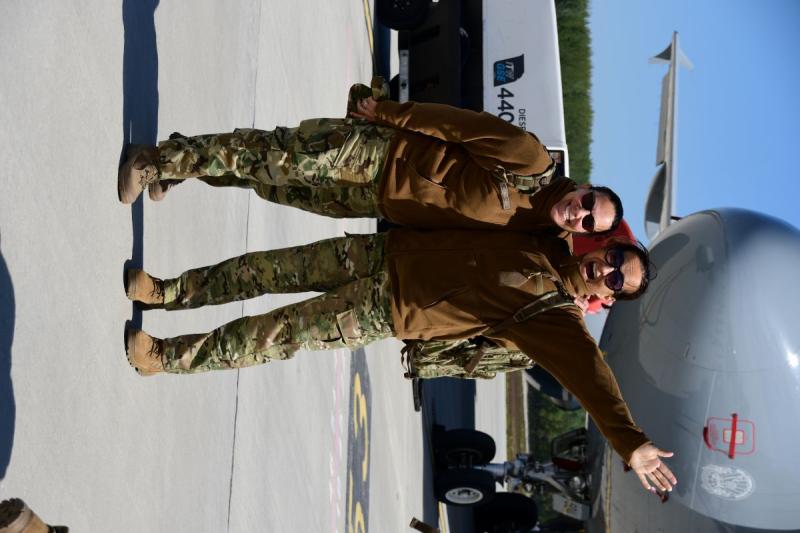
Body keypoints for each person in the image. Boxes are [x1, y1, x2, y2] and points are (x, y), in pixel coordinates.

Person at [122, 228, 676, 493]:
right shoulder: (550, 239)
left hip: (387, 308)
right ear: (606, 246)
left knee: (269, 333)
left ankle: (166, 356)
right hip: (384, 252)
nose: (607, 270)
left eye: (616, 281)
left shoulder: (558, 319)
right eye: (615, 259)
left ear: (608, 298)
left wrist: (629, 440)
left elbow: (592, 377)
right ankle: (169, 291)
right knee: (262, 268)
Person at [118, 88, 622, 236]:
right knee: (272, 154)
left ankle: (185, 160)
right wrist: (387, 113)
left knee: (270, 183)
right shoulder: (532, 161)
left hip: (377, 201)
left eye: (588, 223)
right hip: (380, 154)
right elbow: (458, 125)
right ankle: (154, 160)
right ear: (584, 187)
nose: (579, 214)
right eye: (588, 203)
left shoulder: (540, 228)